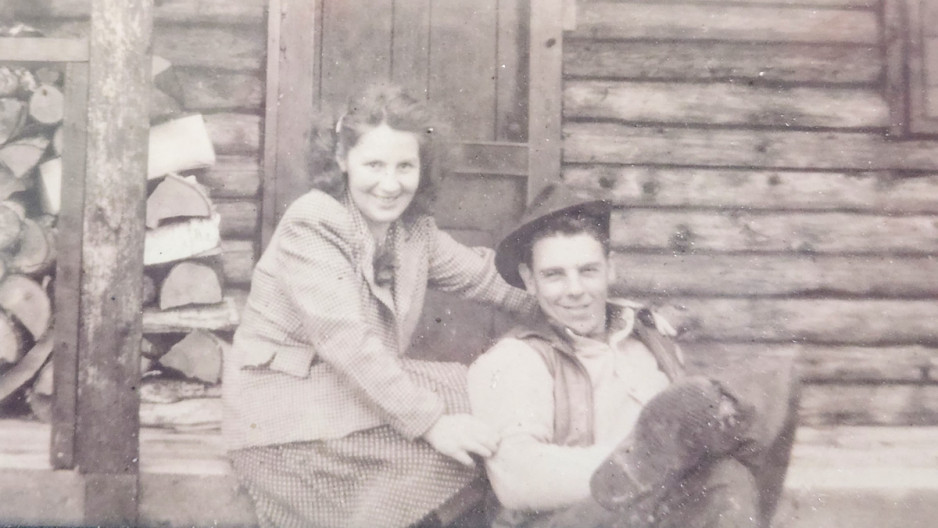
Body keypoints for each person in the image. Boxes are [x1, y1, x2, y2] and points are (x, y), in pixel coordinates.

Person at [222, 84, 535, 528]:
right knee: (461, 443)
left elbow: (485, 278)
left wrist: (571, 302)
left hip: (346, 396)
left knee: (482, 395)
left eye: (405, 166)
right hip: (286, 416)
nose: (390, 185)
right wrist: (434, 425)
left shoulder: (412, 232)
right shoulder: (313, 222)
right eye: (374, 165)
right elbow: (347, 342)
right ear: (341, 159)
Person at [468, 184, 800, 528]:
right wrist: (648, 462)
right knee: (722, 477)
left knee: (772, 388)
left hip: (652, 511)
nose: (575, 290)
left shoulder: (648, 337)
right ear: (529, 280)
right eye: (554, 275)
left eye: (588, 271)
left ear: (610, 269)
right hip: (565, 519)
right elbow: (520, 482)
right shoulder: (513, 360)